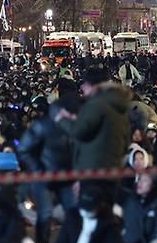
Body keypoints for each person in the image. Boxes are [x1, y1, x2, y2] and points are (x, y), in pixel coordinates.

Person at [56, 65, 131, 200]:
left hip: (93, 172)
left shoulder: (96, 104)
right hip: (112, 169)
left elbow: (79, 131)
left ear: (94, 86)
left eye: (85, 84)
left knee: (91, 213)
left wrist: (62, 119)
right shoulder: (117, 105)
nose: (82, 87)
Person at [18, 99, 75, 243]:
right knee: (44, 214)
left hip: (66, 176)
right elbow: (23, 150)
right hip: (43, 177)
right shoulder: (40, 126)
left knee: (72, 211)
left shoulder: (71, 128)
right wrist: (38, 169)